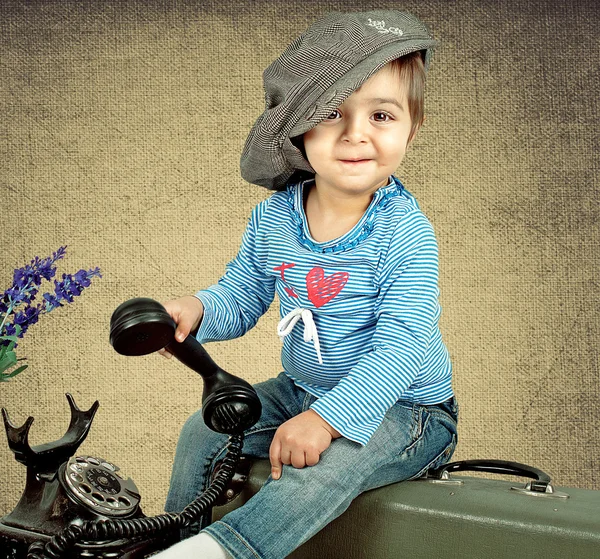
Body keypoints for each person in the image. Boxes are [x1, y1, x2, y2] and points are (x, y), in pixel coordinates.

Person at [154, 10, 458, 559]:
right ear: (297, 127)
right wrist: (198, 310)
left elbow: (403, 345)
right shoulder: (275, 218)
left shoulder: (404, 231)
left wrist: (327, 420)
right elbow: (242, 294)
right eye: (332, 113)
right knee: (204, 432)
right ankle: (169, 541)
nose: (356, 133)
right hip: (302, 390)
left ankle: (219, 553)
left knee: (326, 468)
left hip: (406, 409)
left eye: (382, 115)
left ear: (413, 127)